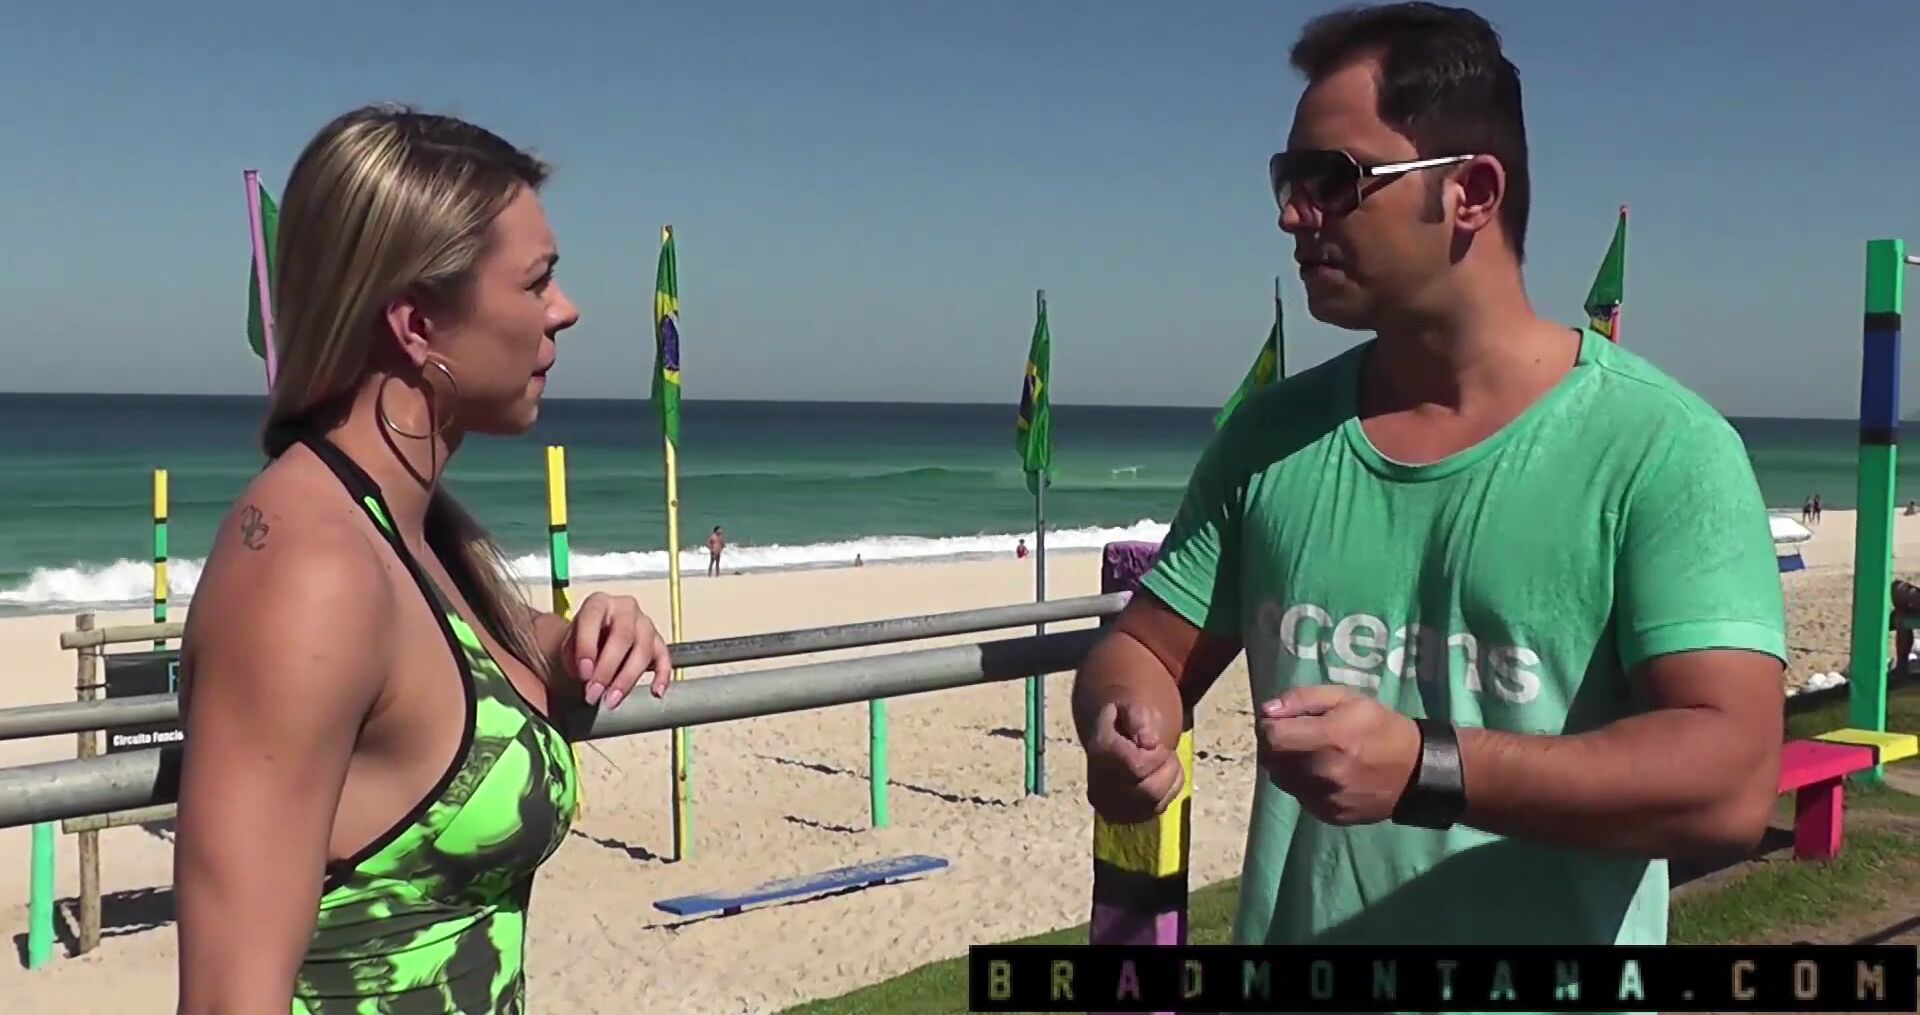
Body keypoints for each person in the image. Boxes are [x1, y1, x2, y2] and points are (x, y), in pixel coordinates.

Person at [1071, 0, 1787, 975]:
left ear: (1472, 192)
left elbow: (1731, 784)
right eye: (1287, 179)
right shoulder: (1271, 438)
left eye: (1332, 179)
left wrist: (1426, 766)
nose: (1292, 213)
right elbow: (1147, 649)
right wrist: (1125, 719)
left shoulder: (1662, 447)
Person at [172, 104, 674, 1013]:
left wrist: (575, 642)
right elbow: (226, 997)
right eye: (537, 282)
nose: (565, 310)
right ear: (416, 326)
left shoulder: (409, 531)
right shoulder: (308, 571)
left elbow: (436, 682)